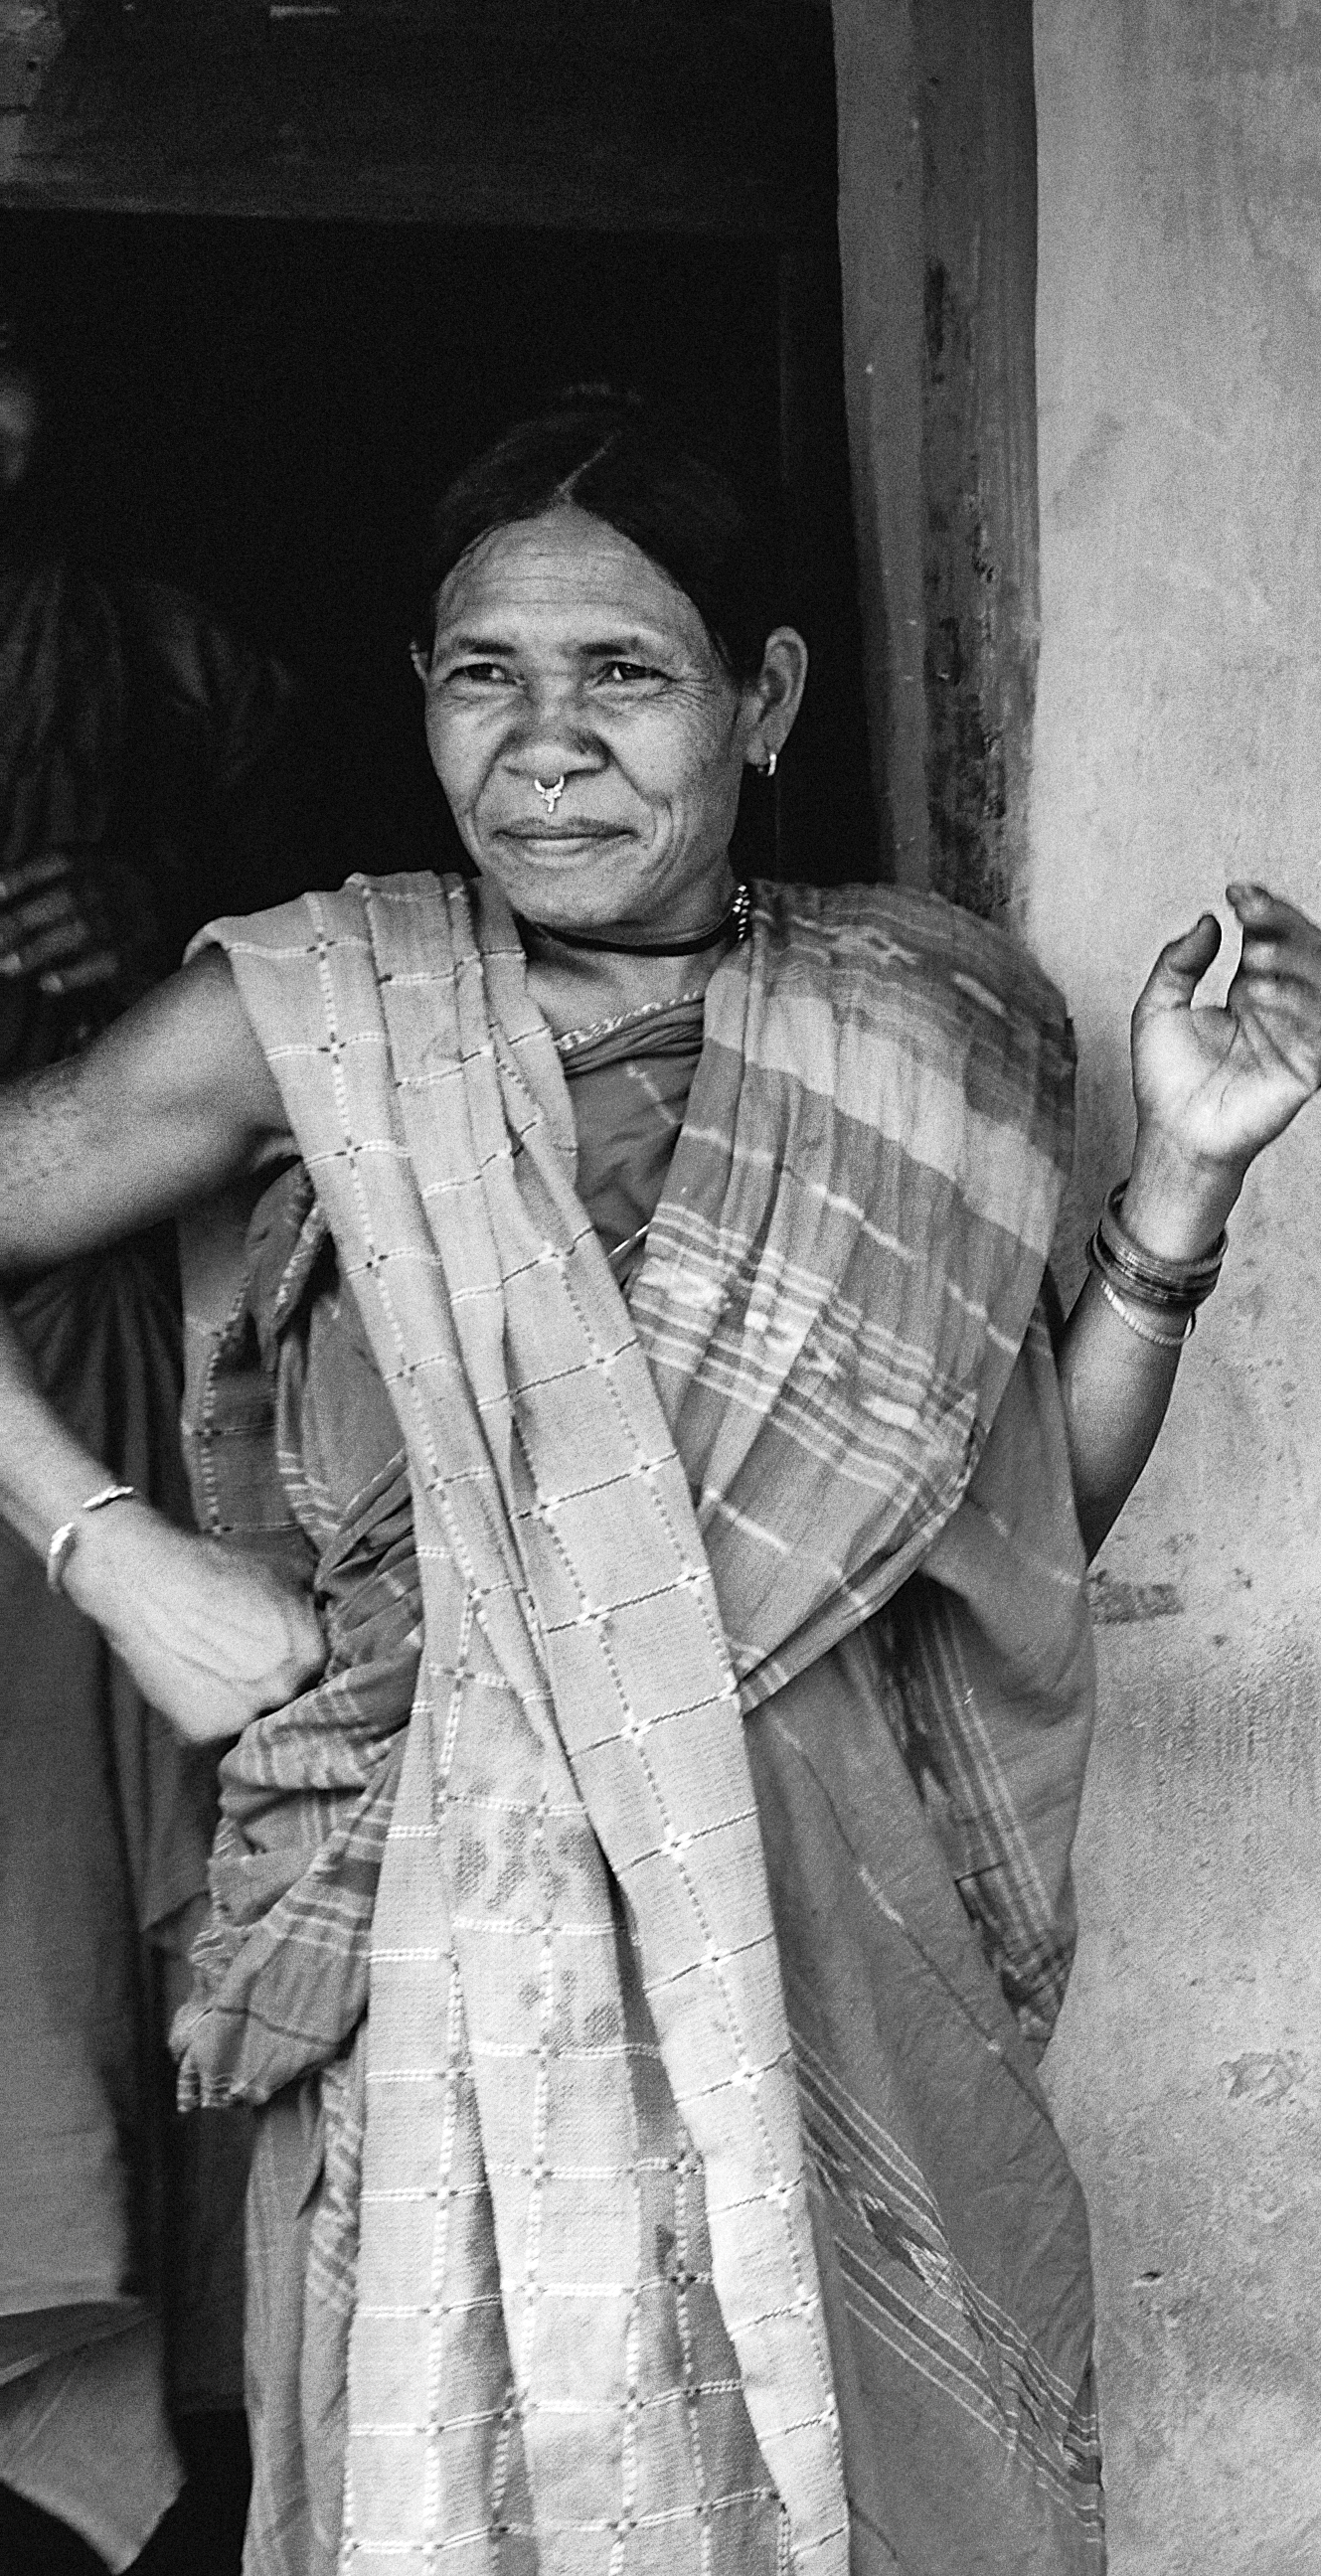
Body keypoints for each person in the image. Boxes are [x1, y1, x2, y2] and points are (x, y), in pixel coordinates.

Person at [0, 394, 1321, 2576]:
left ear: (766, 694)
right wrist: (107, 1543)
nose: (545, 744)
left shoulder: (931, 1030)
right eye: (481, 677)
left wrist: (1183, 1180)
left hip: (847, 1960)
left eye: (622, 673)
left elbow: (1019, 1533)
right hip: (449, 1964)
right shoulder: (317, 1018)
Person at [0, 314, 303, 2574]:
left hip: (112, 1319)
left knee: (138, 2011)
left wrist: (156, 912)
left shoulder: (146, 654)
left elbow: (349, 922)